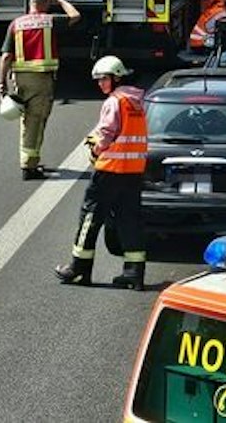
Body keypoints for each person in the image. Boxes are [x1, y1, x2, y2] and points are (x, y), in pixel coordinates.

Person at [55, 56, 148, 289]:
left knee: (90, 216)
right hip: (133, 172)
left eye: (103, 79)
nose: (100, 84)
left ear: (117, 77)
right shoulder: (137, 102)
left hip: (109, 171)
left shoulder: (114, 101)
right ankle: (134, 273)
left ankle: (78, 270)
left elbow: (106, 133)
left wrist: (95, 147)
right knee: (130, 220)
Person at [0, 0, 78, 180]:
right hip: (41, 80)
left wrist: (1, 82)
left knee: (27, 121)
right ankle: (28, 167)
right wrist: (59, 0)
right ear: (45, 5)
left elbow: (6, 56)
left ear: (30, 5)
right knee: (36, 121)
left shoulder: (16, 24)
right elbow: (75, 16)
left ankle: (31, 162)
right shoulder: (49, 21)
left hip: (20, 78)